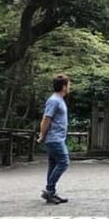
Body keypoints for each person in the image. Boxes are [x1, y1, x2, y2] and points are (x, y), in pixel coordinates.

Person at [38, 74, 71, 204]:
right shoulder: (54, 100)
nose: (69, 87)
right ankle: (49, 190)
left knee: (53, 164)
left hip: (58, 137)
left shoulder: (59, 100)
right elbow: (46, 118)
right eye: (68, 85)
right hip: (54, 138)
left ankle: (51, 193)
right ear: (63, 86)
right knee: (64, 162)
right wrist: (42, 134)